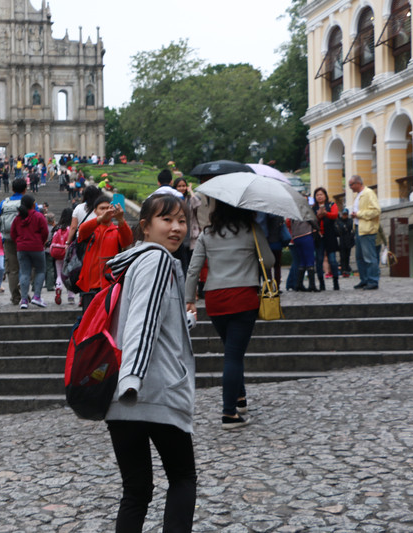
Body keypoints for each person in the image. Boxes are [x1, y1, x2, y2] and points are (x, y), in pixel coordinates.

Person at [105, 193, 196, 533]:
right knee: (183, 478)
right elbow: (140, 322)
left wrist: (182, 321)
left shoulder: (132, 261)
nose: (176, 228)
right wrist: (132, 379)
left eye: (182, 221)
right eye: (167, 220)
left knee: (136, 490)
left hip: (121, 398)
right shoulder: (157, 260)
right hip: (152, 391)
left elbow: (141, 315)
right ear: (145, 226)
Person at [185, 200, 274, 429]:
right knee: (234, 355)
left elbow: (194, 268)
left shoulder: (207, 234)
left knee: (232, 350)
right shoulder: (251, 230)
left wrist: (189, 300)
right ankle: (229, 414)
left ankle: (240, 398)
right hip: (244, 297)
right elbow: (270, 260)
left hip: (215, 299)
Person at [76, 196, 133, 310]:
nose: (106, 211)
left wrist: (121, 220)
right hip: (89, 286)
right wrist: (101, 218)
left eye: (108, 208)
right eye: (102, 208)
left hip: (109, 285)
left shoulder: (117, 229)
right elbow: (81, 231)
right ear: (95, 211)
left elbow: (127, 241)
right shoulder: (91, 228)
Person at [0, 178, 27, 306]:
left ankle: (15, 297)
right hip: (25, 239)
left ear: (12, 189)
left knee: (12, 270)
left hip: (8, 239)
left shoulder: (4, 203)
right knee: (27, 267)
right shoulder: (27, 202)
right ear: (25, 189)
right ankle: (24, 293)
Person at [9, 194, 49, 309]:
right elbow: (45, 232)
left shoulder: (17, 218)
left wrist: (19, 242)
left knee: (25, 272)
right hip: (37, 247)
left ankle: (24, 299)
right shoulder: (39, 216)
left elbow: (13, 234)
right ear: (33, 204)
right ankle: (37, 297)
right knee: (40, 270)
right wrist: (40, 242)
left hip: (22, 248)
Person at [348, 175, 381, 290]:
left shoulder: (368, 193)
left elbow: (376, 210)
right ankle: (364, 280)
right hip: (359, 228)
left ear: (358, 183)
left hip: (367, 230)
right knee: (360, 257)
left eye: (351, 185)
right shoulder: (359, 195)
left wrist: (358, 214)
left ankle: (373, 281)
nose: (350, 187)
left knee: (369, 257)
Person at [312, 187, 341, 291]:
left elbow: (335, 215)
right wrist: (318, 216)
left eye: (321, 194)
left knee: (333, 260)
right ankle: (321, 283)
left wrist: (325, 214)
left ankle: (336, 281)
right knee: (319, 260)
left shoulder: (331, 205)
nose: (319, 196)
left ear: (325, 195)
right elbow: (311, 220)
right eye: (317, 195)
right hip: (318, 237)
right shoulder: (313, 208)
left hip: (330, 236)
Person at [172, 177, 201, 272]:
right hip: (178, 234)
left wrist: (191, 191)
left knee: (190, 262)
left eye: (183, 186)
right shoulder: (173, 200)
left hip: (191, 234)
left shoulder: (189, 199)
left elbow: (197, 204)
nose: (182, 188)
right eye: (179, 186)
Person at [51, 208, 73, 305]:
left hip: (57, 253)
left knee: (59, 274)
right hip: (69, 254)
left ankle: (58, 288)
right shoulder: (72, 227)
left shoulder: (56, 227)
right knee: (69, 275)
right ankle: (70, 295)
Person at [336, 208, 355, 277]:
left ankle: (346, 270)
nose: (344, 215)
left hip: (348, 241)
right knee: (342, 256)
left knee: (347, 256)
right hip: (342, 241)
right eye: (343, 214)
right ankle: (343, 270)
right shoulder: (339, 221)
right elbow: (340, 228)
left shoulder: (350, 220)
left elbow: (349, 228)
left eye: (345, 214)